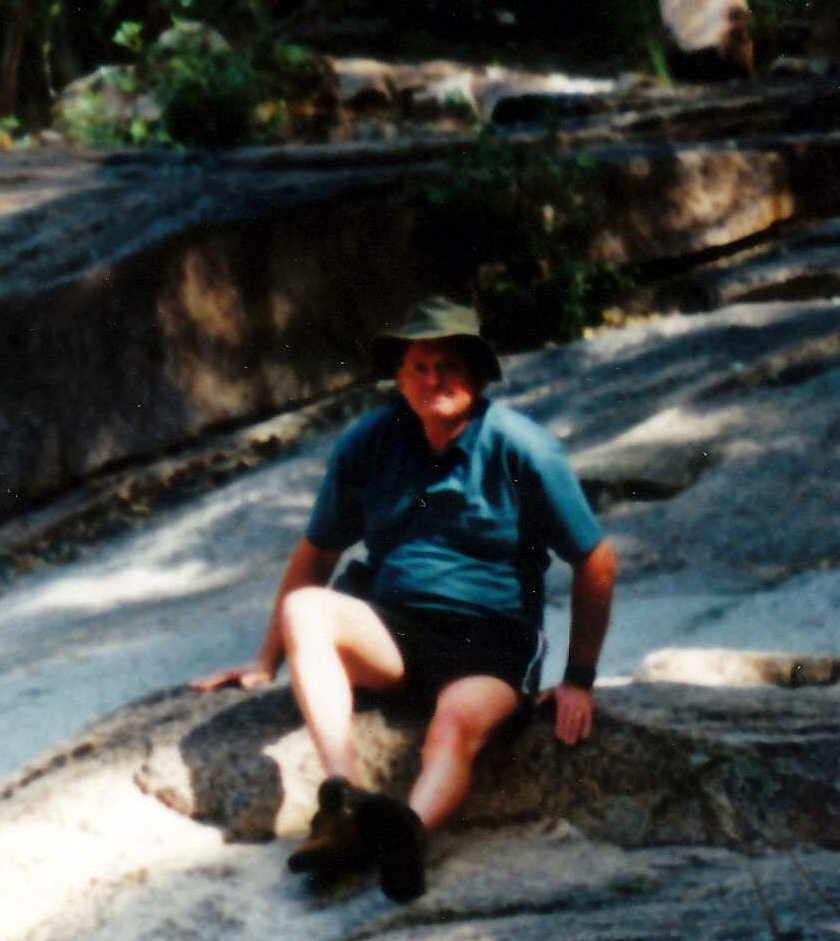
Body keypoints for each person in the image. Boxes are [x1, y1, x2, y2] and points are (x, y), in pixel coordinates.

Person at [193, 296, 615, 902]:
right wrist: (267, 661)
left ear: (477, 372)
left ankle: (407, 834)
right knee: (305, 608)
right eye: (418, 366)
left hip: (492, 638)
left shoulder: (526, 450)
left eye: (447, 364)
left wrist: (579, 678)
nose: (432, 380)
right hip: (392, 628)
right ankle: (346, 800)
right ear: (399, 376)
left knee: (454, 727)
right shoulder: (371, 441)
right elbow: (315, 554)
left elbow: (595, 560)